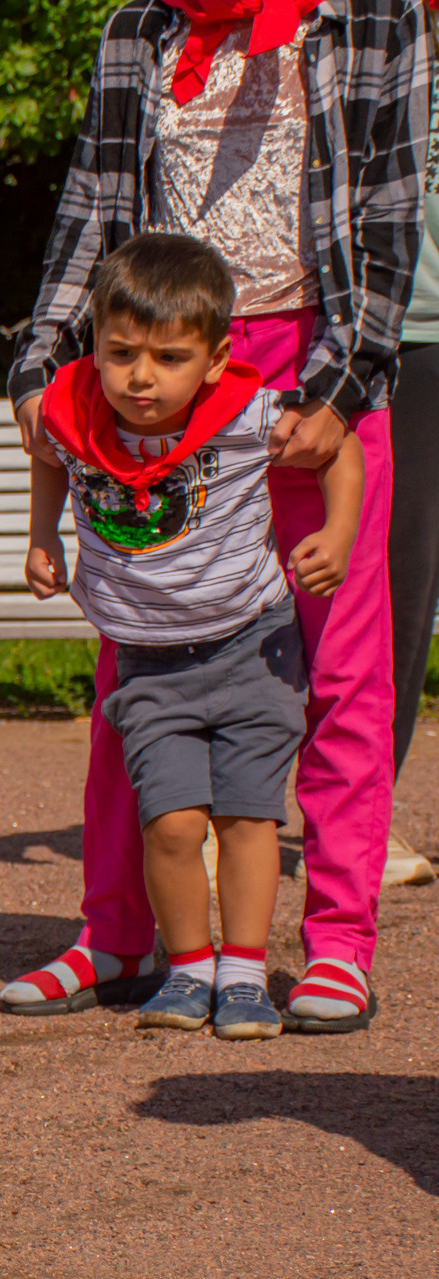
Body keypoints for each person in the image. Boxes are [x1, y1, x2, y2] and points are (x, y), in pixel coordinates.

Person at [1, 0, 425, 1032]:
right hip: (157, 368)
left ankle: (335, 945)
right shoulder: (135, 30)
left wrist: (342, 389)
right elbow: (90, 211)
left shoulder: (369, 15)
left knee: (341, 665)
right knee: (134, 654)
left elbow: (390, 206)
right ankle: (116, 932)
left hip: (310, 361)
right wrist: (38, 364)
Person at [26, 235, 364, 1038]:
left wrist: (339, 535)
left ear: (214, 360)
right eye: (121, 353)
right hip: (147, 664)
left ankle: (244, 975)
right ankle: (185, 969)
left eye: (170, 358)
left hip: (253, 649)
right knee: (171, 824)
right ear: (97, 346)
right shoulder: (75, 413)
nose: (141, 377)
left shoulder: (247, 414)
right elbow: (46, 451)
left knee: (249, 819)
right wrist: (43, 535)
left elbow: (340, 448)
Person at [382, 148, 439, 885]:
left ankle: (369, 805)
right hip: (388, 329)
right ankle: (221, 806)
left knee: (414, 586)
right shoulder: (366, 32)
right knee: (394, 579)